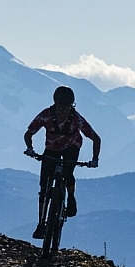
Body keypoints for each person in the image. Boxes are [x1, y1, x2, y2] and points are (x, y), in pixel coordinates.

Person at [25, 85, 101, 239]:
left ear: (71, 106)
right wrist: (30, 148)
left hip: (71, 148)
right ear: (55, 104)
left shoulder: (77, 119)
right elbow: (29, 133)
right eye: (61, 107)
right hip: (51, 149)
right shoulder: (46, 115)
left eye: (67, 107)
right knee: (44, 184)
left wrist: (95, 159)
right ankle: (41, 224)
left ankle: (71, 197)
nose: (63, 110)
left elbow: (95, 138)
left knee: (68, 172)